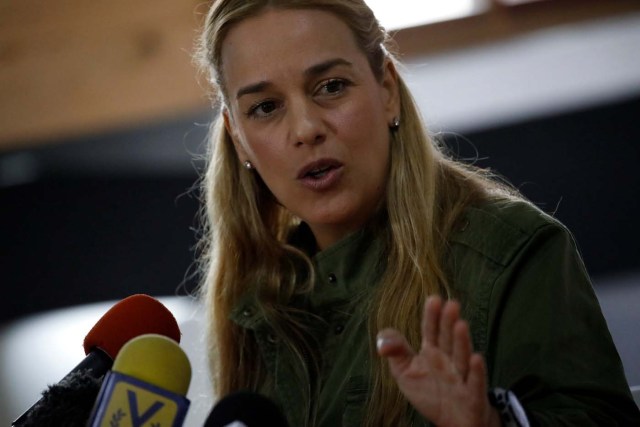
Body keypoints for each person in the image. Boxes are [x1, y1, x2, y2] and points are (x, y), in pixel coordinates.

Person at [193, 0, 640, 425]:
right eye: (265, 107)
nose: (306, 129)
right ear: (238, 138)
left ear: (386, 89)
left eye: (331, 87)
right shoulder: (252, 306)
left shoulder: (511, 251)